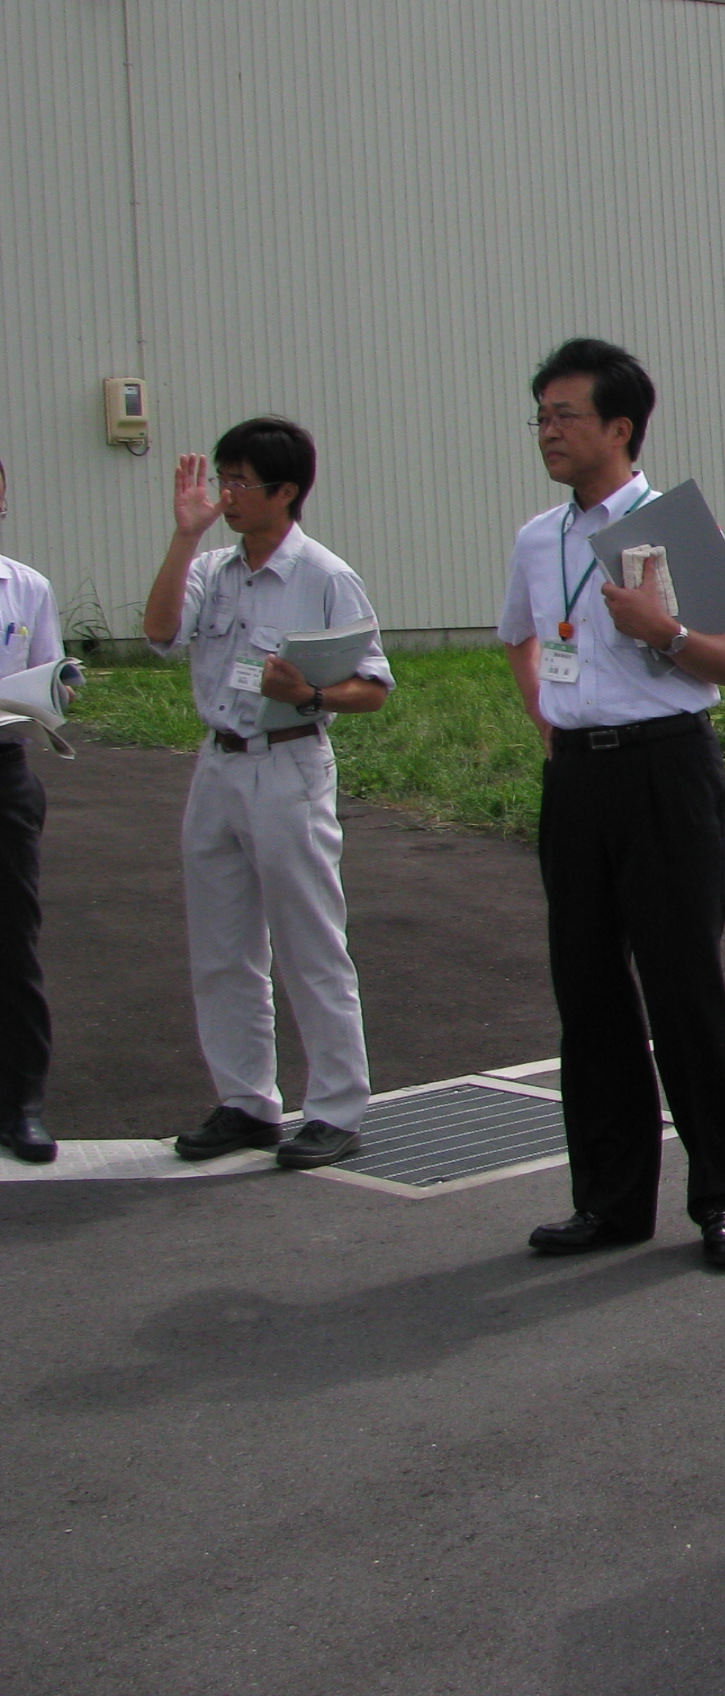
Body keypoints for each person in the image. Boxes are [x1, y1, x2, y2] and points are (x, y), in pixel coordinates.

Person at [499, 338, 725, 1270]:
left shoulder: (676, 524)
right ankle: (609, 1202)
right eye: (540, 416)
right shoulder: (540, 538)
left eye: (565, 415)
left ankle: (724, 1200)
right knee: (589, 991)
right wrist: (550, 723)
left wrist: (667, 631)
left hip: (666, 773)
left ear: (620, 427)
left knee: (684, 987)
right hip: (577, 777)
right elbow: (521, 639)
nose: (548, 431)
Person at [144, 419, 393, 1170]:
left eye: (240, 482)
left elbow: (374, 688)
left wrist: (311, 690)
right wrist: (184, 537)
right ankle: (246, 1101)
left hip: (288, 765)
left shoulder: (323, 575)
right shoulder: (214, 568)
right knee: (221, 945)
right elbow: (158, 632)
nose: (226, 495)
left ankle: (337, 1106)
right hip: (218, 766)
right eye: (221, 479)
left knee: (309, 938)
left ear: (285, 492)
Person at [0, 461, 63, 1164]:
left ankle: (23, 1103)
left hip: (4, 767)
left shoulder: (28, 588)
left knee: (13, 941)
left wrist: (56, 690)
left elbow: (49, 674)